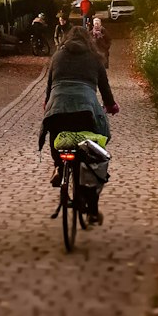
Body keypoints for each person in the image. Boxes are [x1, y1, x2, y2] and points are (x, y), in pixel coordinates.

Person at [38, 26, 118, 223]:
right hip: (86, 111)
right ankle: (91, 209)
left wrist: (48, 104)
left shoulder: (57, 56)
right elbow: (104, 87)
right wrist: (111, 105)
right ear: (88, 40)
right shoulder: (94, 57)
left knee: (56, 133)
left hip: (58, 105)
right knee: (93, 156)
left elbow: (49, 86)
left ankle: (58, 165)